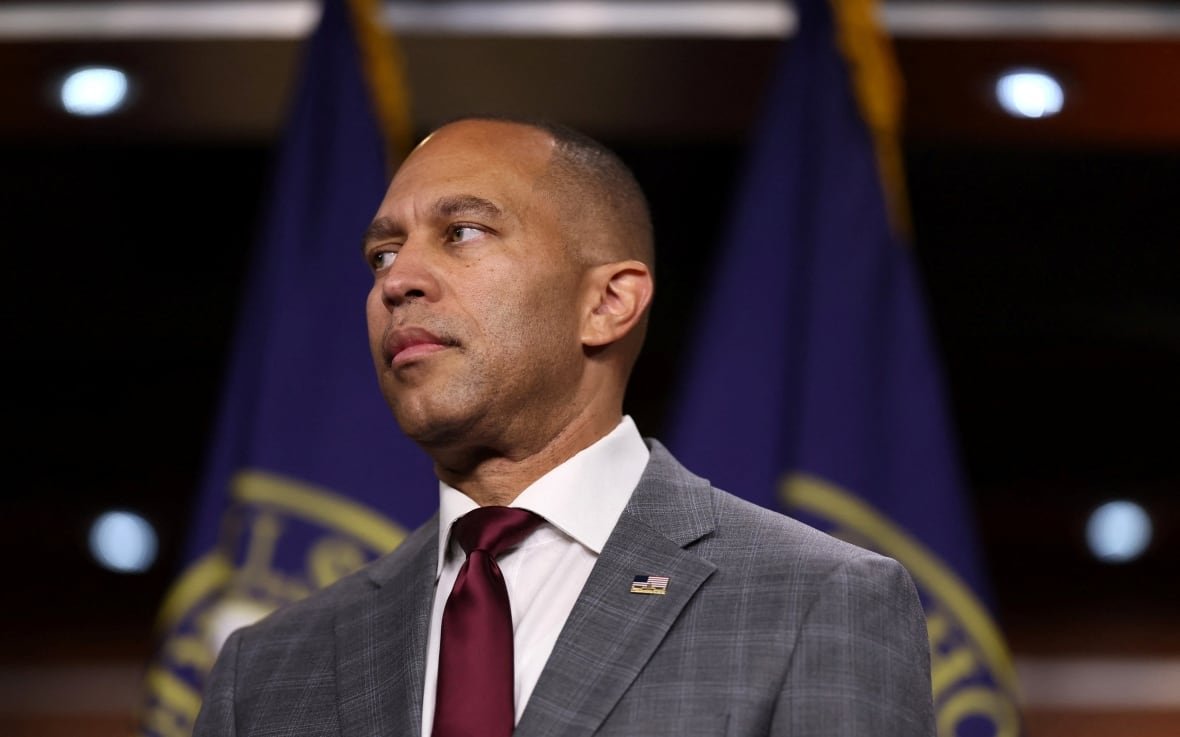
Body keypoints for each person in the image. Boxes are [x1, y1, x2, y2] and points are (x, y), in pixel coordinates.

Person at [193, 116, 935, 736]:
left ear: (608, 302)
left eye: (464, 231)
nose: (397, 280)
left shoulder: (814, 600)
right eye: (383, 253)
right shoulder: (266, 668)